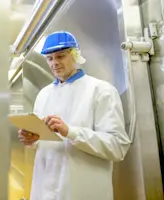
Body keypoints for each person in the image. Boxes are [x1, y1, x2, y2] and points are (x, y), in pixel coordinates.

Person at [17, 31, 131, 200]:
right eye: (50, 58)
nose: (54, 63)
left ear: (75, 55)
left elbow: (117, 147)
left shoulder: (101, 90)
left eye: (60, 56)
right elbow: (44, 143)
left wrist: (70, 132)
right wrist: (32, 139)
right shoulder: (43, 95)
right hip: (45, 190)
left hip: (83, 191)